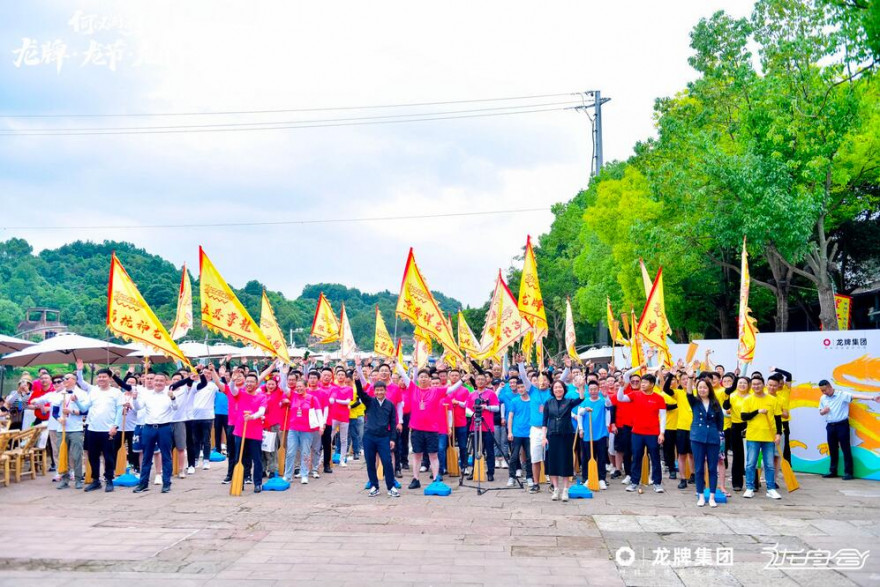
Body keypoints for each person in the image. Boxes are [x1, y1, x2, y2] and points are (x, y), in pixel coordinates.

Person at [397, 363, 462, 489]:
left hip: (432, 429)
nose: (423, 379)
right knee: (417, 455)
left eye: (425, 377)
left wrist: (462, 381)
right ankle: (415, 479)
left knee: (433, 454)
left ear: (430, 379)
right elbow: (404, 375)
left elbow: (451, 389)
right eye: (421, 377)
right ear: (418, 379)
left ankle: (436, 478)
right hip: (416, 428)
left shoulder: (436, 391)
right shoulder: (413, 388)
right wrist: (397, 363)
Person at [31, 372, 88, 489]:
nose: (64, 381)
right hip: (61, 429)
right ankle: (64, 479)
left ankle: (78, 479)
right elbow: (55, 412)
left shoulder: (81, 394)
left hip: (75, 429)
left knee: (76, 455)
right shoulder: (59, 394)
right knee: (62, 454)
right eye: (64, 379)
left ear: (74, 380)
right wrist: (59, 418)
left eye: (67, 379)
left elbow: (85, 411)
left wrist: (72, 411)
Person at [76, 360, 124, 492]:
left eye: (104, 377)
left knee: (109, 456)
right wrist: (79, 370)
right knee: (92, 456)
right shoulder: (93, 391)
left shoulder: (116, 392)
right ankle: (95, 480)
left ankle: (109, 479)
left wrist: (115, 426)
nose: (101, 379)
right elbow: (85, 407)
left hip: (108, 430)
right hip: (92, 429)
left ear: (109, 378)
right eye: (99, 377)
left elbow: (120, 411)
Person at [818, 380, 879, 480]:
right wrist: (823, 411)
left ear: (829, 387)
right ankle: (832, 471)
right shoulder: (823, 398)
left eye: (824, 390)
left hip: (842, 425)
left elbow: (856, 396)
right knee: (832, 449)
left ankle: (848, 473)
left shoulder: (842, 395)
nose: (823, 392)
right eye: (821, 391)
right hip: (830, 426)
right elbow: (820, 412)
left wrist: (872, 398)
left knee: (845, 448)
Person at [617, 370, 667, 494]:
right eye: (642, 382)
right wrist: (622, 386)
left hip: (653, 433)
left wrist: (662, 433)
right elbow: (620, 398)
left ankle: (657, 483)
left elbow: (663, 417)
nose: (643, 384)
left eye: (645, 382)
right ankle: (634, 482)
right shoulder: (635, 395)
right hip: (637, 432)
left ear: (652, 384)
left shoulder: (659, 398)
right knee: (636, 457)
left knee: (655, 458)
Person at [132, 372, 179, 493]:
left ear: (165, 382)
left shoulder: (169, 394)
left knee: (166, 456)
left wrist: (173, 397)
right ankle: (143, 483)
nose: (158, 383)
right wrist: (135, 398)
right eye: (156, 380)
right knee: (146, 456)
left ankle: (166, 483)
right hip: (148, 428)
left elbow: (175, 407)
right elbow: (137, 407)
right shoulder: (146, 395)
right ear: (153, 382)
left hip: (164, 428)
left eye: (161, 381)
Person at [683, 374, 725, 507]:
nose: (702, 390)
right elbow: (689, 393)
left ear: (709, 389)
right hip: (697, 437)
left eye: (704, 388)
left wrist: (718, 436)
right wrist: (690, 378)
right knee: (699, 467)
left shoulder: (715, 403)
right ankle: (700, 495)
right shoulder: (695, 401)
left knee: (713, 468)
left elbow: (720, 422)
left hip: (713, 438)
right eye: (699, 387)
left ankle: (712, 496)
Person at [740, 374, 782, 499]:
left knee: (769, 464)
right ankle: (749, 488)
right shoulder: (748, 399)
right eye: (753, 384)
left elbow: (778, 418)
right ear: (750, 386)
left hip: (769, 437)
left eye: (758, 384)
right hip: (753, 436)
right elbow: (743, 417)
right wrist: (757, 412)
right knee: (750, 464)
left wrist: (778, 434)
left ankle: (771, 488)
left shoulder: (772, 399)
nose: (756, 386)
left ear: (764, 385)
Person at [541, 379, 584, 501]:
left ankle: (565, 489)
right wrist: (544, 437)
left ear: (564, 389)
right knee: (552, 463)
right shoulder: (548, 403)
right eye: (555, 388)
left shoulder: (569, 401)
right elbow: (544, 421)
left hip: (566, 435)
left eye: (560, 387)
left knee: (565, 462)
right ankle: (556, 489)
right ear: (552, 390)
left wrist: (581, 386)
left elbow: (581, 398)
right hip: (552, 435)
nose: (558, 390)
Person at [356, 379, 400, 497]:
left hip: (384, 437)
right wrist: (356, 380)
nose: (379, 392)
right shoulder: (369, 402)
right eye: (377, 390)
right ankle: (374, 486)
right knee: (370, 462)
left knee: (387, 462)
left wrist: (392, 439)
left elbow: (393, 422)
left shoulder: (390, 405)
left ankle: (391, 487)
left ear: (385, 391)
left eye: (381, 390)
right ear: (374, 392)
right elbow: (360, 393)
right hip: (369, 437)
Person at [229, 373, 268, 493]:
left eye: (252, 382)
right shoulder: (241, 393)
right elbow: (233, 390)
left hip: (255, 432)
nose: (249, 384)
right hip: (240, 431)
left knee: (256, 459)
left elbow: (262, 411)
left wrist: (252, 417)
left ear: (257, 384)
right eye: (247, 381)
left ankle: (258, 483)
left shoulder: (262, 396)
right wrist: (232, 381)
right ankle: (239, 482)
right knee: (238, 458)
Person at [281, 378, 319, 484]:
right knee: (290, 452)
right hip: (293, 428)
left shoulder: (312, 398)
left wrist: (321, 425)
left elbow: (318, 411)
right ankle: (288, 475)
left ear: (306, 387)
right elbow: (283, 386)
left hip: (307, 430)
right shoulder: (293, 395)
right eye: (297, 386)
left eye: (300, 386)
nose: (298, 388)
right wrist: (283, 372)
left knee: (305, 452)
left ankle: (304, 474)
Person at [576, 380, 611, 490]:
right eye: (591, 389)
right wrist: (581, 429)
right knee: (586, 457)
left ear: (598, 389)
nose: (593, 391)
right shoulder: (585, 401)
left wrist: (606, 396)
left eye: (595, 389)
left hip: (600, 433)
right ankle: (586, 478)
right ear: (588, 390)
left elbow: (609, 406)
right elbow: (579, 414)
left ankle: (601, 479)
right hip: (587, 434)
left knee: (601, 457)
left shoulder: (602, 401)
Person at [723, 376, 751, 492]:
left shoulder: (751, 397)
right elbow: (725, 407)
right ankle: (737, 483)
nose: (742, 385)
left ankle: (753, 483)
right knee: (738, 456)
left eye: (745, 383)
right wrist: (727, 395)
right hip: (735, 427)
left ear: (748, 385)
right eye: (740, 383)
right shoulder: (732, 396)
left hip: (749, 426)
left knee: (751, 456)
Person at [506, 377, 534, 488]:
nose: (521, 389)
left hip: (530, 433)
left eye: (522, 387)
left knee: (529, 457)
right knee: (513, 456)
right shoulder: (514, 401)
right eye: (518, 388)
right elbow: (510, 417)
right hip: (517, 432)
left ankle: (529, 477)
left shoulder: (533, 400)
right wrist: (510, 432)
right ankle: (511, 477)